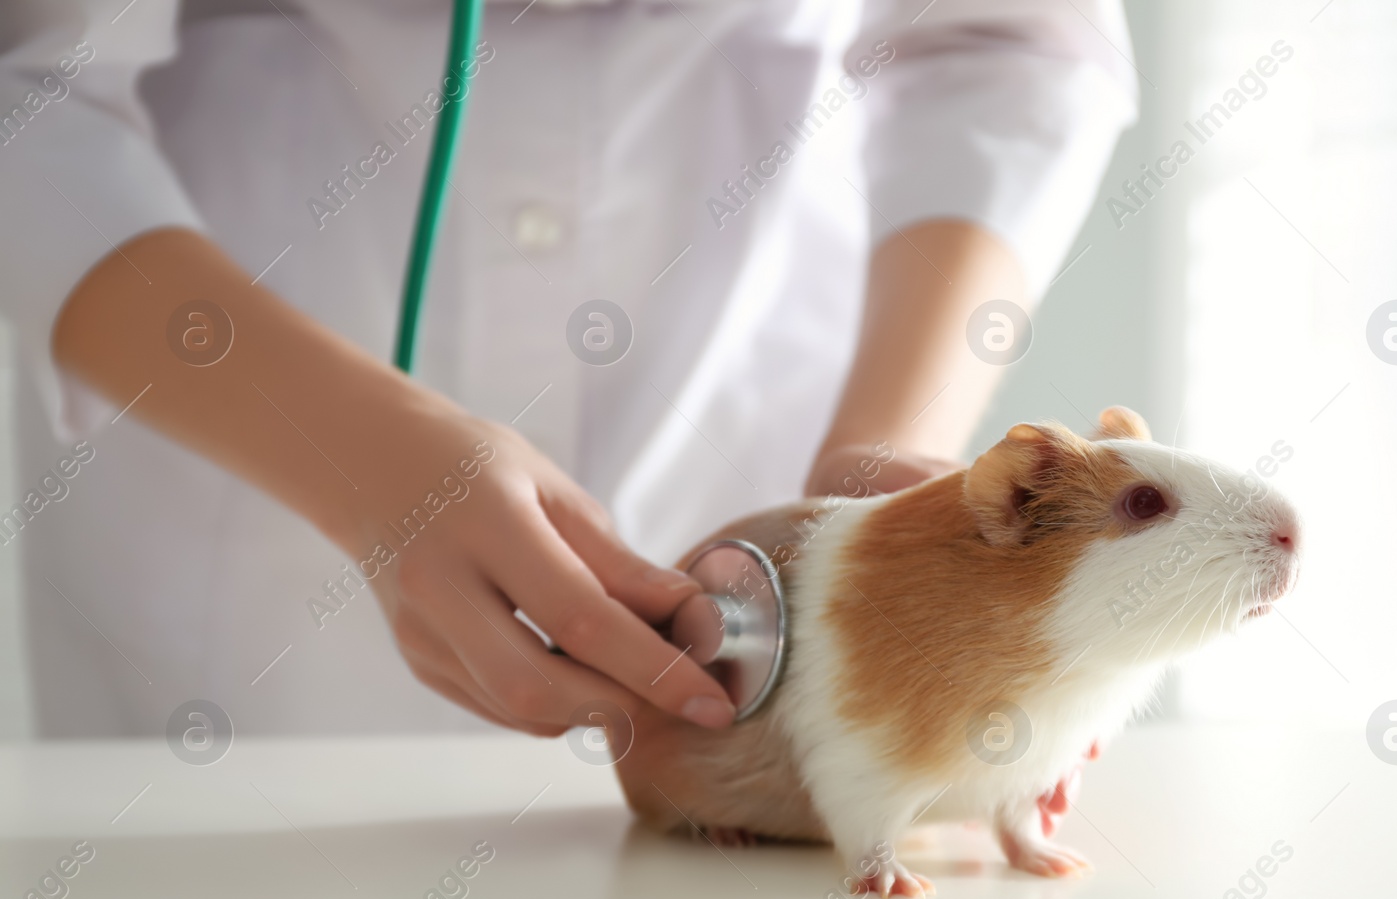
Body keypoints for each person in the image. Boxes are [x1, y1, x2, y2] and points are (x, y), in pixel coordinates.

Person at [0, 0, 1136, 740]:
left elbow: (1009, 40)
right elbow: (26, 84)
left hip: (762, 357)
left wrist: (888, 460)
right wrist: (350, 451)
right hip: (231, 436)